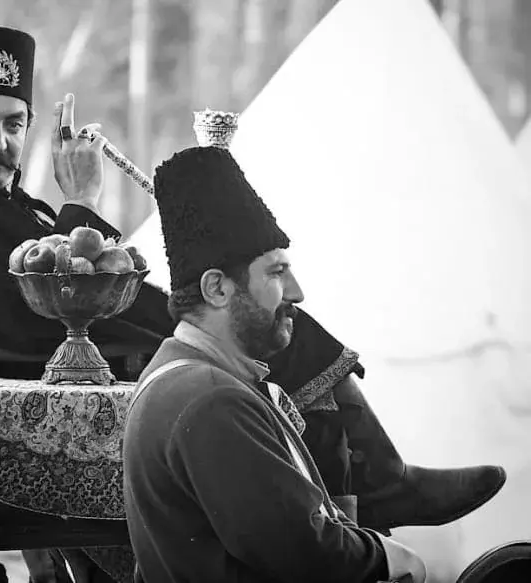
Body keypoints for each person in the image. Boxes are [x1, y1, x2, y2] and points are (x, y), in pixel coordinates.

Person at [0, 25, 504, 582]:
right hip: (44, 376)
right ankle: (360, 518)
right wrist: (80, 203)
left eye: (13, 124)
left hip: (100, 355)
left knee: (272, 313)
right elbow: (21, 314)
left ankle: (370, 494)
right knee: (256, 323)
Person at [123, 146, 426, 582]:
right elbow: (302, 553)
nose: (297, 292)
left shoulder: (184, 377)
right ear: (217, 289)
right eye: (276, 272)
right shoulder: (211, 399)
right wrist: (388, 557)